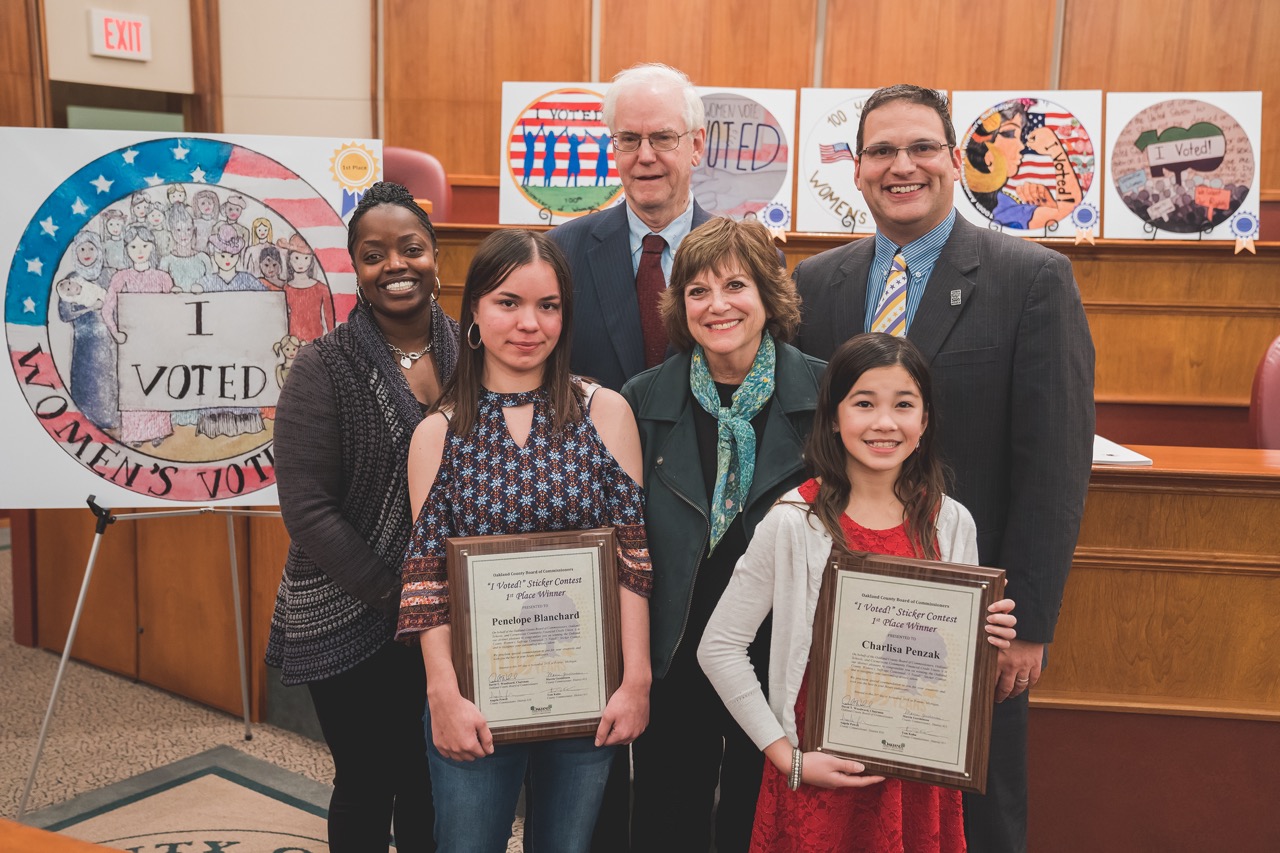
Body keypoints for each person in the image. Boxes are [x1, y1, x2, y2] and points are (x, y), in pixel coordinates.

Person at [790, 84, 1095, 853]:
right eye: (881, 150)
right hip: (839, 610)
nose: (903, 166)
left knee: (973, 818)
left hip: (972, 619)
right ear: (856, 169)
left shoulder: (1033, 280)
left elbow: (1053, 468)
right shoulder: (815, 283)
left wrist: (1026, 624)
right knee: (851, 810)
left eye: (922, 147)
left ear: (955, 161)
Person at [698, 332, 1019, 853]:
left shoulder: (952, 522)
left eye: (904, 405)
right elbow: (719, 646)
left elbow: (953, 669)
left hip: (917, 771)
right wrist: (787, 758)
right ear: (833, 415)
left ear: (925, 419)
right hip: (819, 763)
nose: (884, 423)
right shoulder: (792, 522)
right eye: (864, 403)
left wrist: (988, 639)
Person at [394, 229, 652, 853]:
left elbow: (633, 558)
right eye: (508, 302)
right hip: (474, 697)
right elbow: (427, 577)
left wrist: (636, 679)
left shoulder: (605, 412)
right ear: (475, 313)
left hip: (586, 691)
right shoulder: (439, 431)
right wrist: (443, 694)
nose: (529, 323)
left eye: (548, 305)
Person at [265, 181, 459, 853]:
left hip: (446, 611)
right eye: (374, 254)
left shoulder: (474, 354)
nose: (395, 265)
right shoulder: (323, 367)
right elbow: (308, 510)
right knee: (369, 779)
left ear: (436, 256)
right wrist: (396, 594)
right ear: (356, 267)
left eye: (411, 248)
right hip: (348, 606)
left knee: (431, 777)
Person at [620, 216, 825, 853]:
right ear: (680, 306)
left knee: (759, 815)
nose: (717, 305)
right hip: (676, 649)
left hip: (777, 654)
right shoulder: (643, 398)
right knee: (666, 815)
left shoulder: (825, 394)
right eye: (698, 291)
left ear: (769, 295)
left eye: (735, 285)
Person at [548, 62, 710, 392]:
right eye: (629, 139)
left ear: (695, 146)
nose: (645, 155)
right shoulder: (559, 252)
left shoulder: (750, 260)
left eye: (664, 138)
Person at [961, 99, 1084, 231]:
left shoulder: (1002, 202)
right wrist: (1056, 151)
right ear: (987, 156)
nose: (1021, 146)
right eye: (1010, 134)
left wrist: (1049, 208)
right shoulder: (1004, 209)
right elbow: (1072, 214)